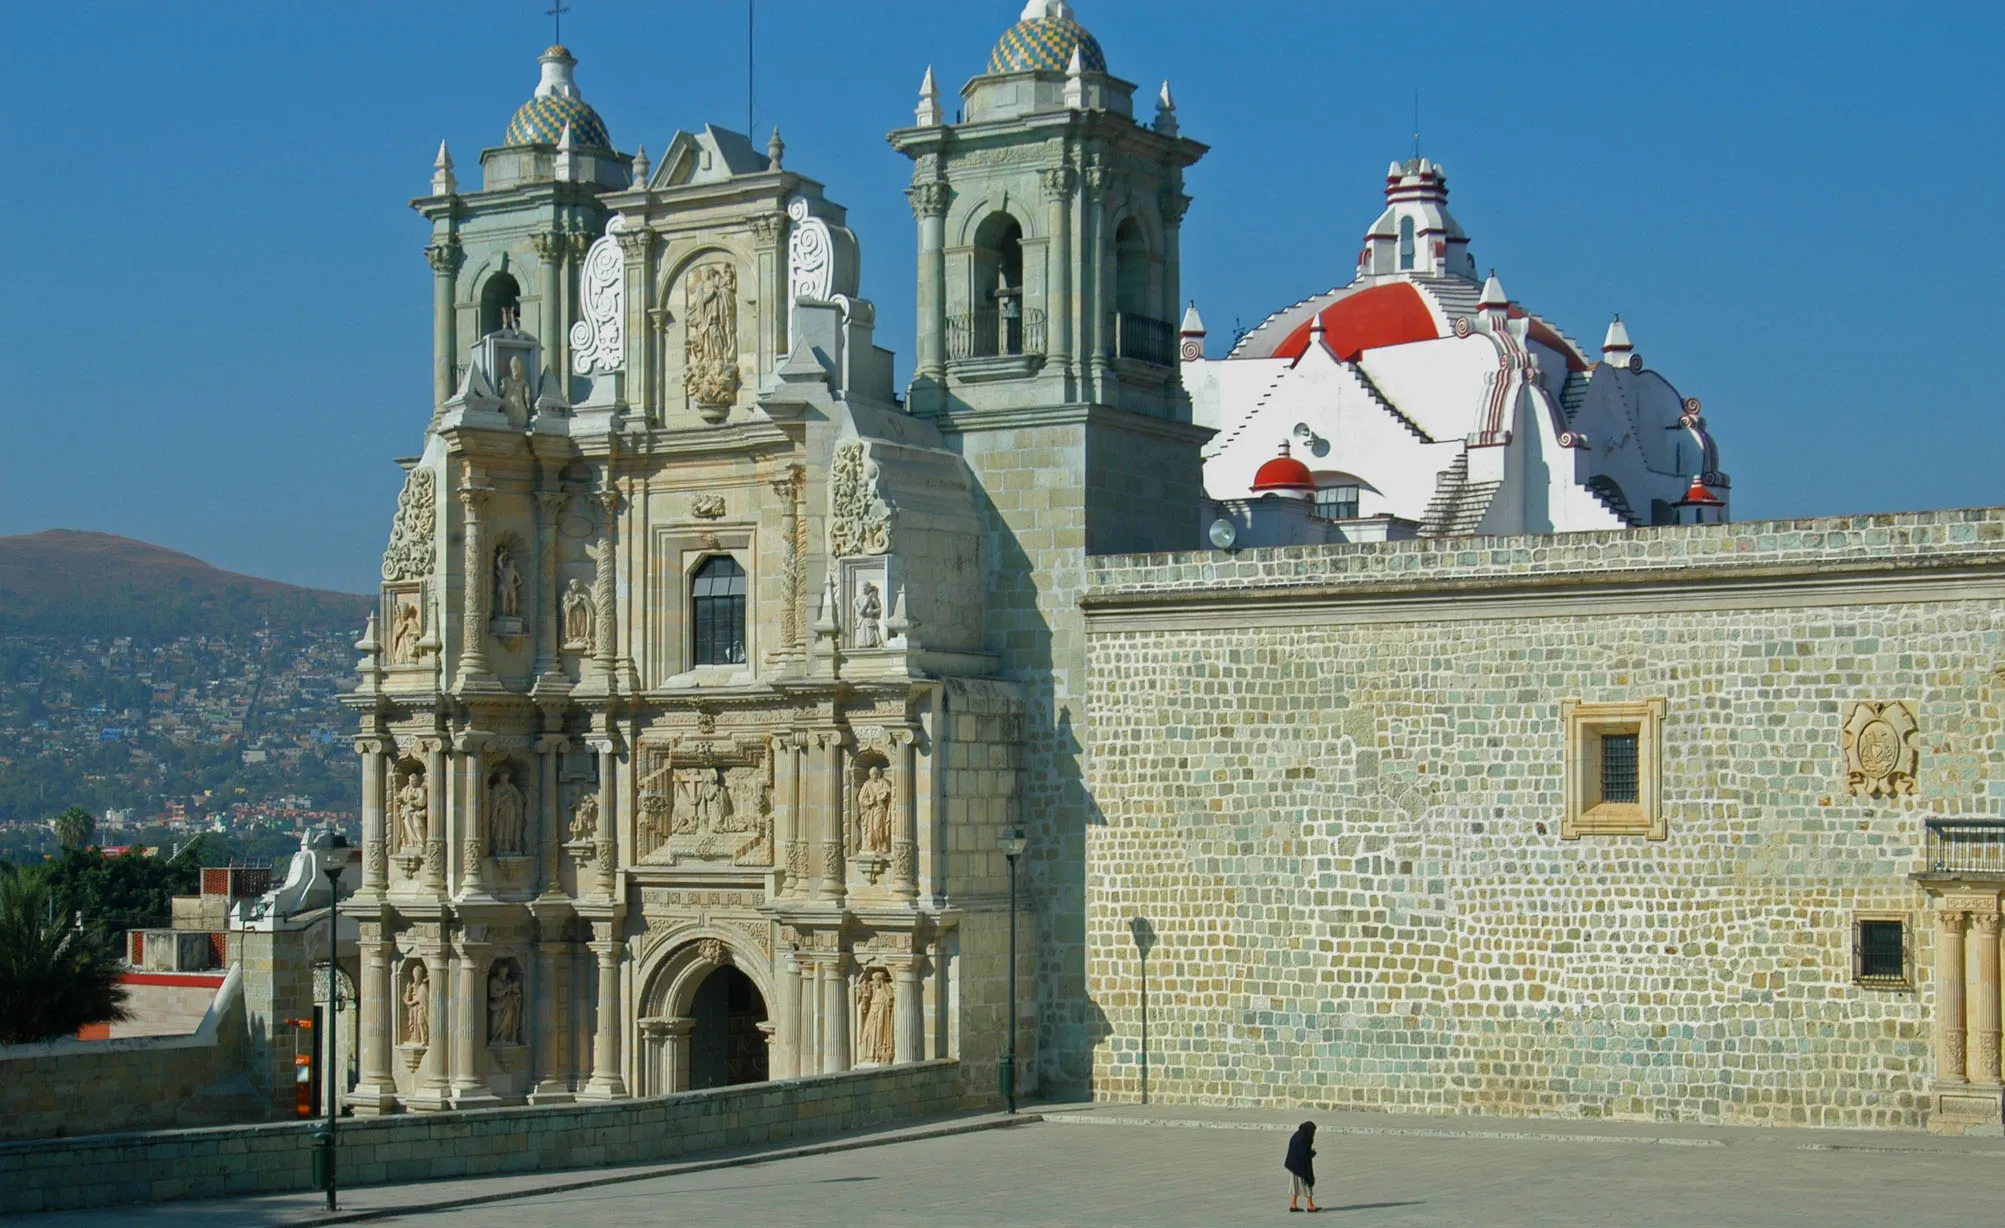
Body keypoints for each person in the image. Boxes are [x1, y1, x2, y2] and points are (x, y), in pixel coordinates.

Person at [1284, 1120, 1318, 1213]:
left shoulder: (1297, 1134)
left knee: (1294, 1184)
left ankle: (1293, 1204)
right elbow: (1304, 1155)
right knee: (1307, 1183)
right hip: (1299, 1164)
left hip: (1292, 1164)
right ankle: (1310, 1205)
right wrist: (1311, 1155)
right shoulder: (1305, 1139)